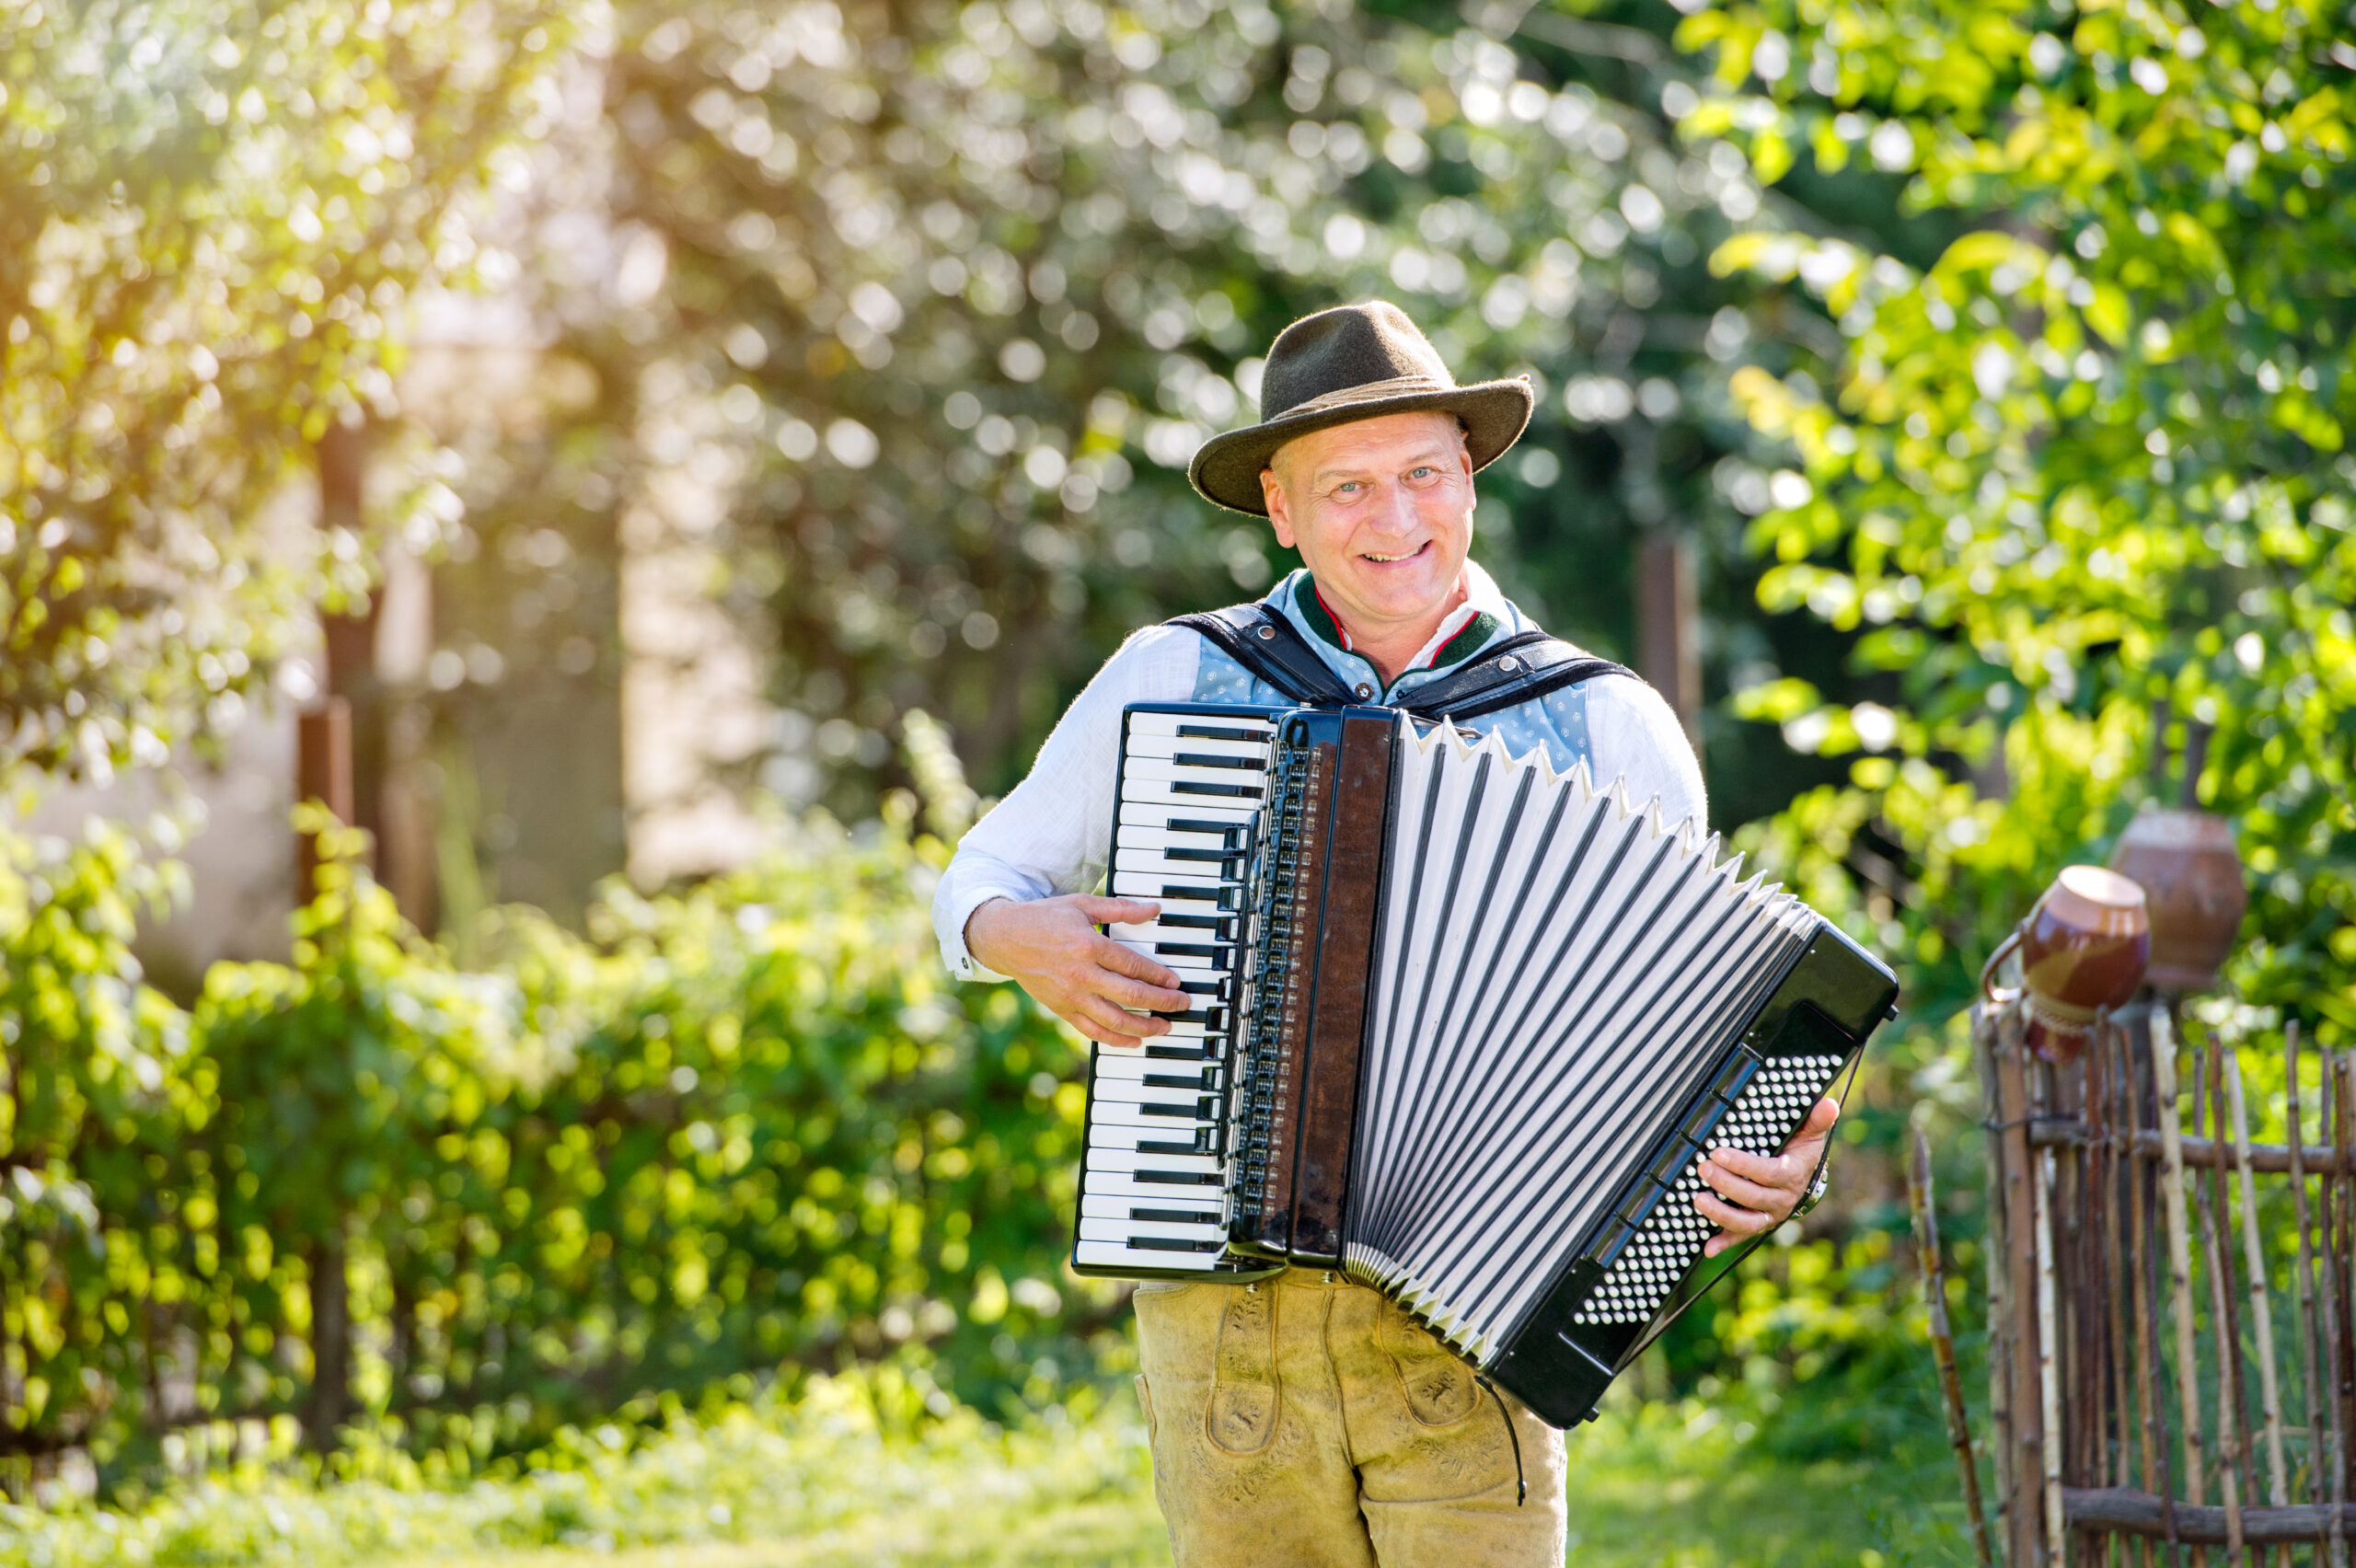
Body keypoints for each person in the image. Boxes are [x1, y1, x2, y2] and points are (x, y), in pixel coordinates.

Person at [931, 302, 1837, 1568]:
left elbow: (1708, 1038)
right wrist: (1013, 932)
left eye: (1422, 474)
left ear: (1468, 478)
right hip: (1223, 1327)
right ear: (1280, 509)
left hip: (1474, 1341)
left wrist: (1776, 1161)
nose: (1394, 518)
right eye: (1346, 487)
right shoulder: (1172, 678)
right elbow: (980, 873)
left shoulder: (1603, 725)